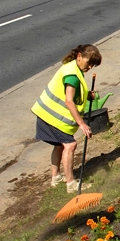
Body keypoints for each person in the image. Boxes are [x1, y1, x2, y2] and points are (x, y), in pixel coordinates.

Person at [31, 44, 102, 193]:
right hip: (51, 117)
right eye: (89, 63)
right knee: (70, 145)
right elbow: (68, 101)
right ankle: (71, 184)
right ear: (79, 57)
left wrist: (87, 95)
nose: (90, 67)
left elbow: (74, 94)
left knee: (60, 145)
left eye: (93, 65)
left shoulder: (74, 68)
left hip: (47, 114)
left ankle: (56, 177)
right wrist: (82, 123)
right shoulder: (72, 75)